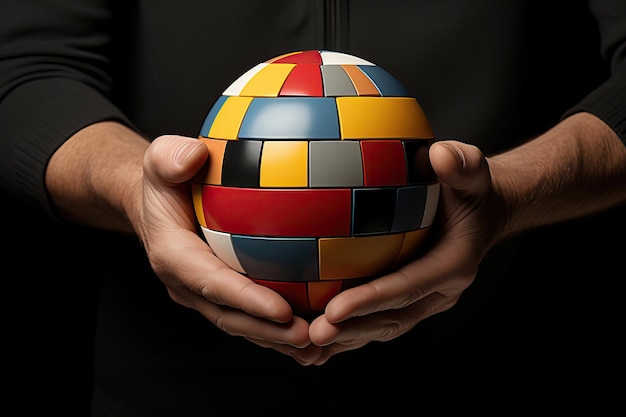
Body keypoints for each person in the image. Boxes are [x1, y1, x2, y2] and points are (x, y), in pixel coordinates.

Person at [1, 0, 624, 415]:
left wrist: (508, 196)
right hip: (174, 390)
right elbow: (22, 69)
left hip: (521, 366)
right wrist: (137, 190)